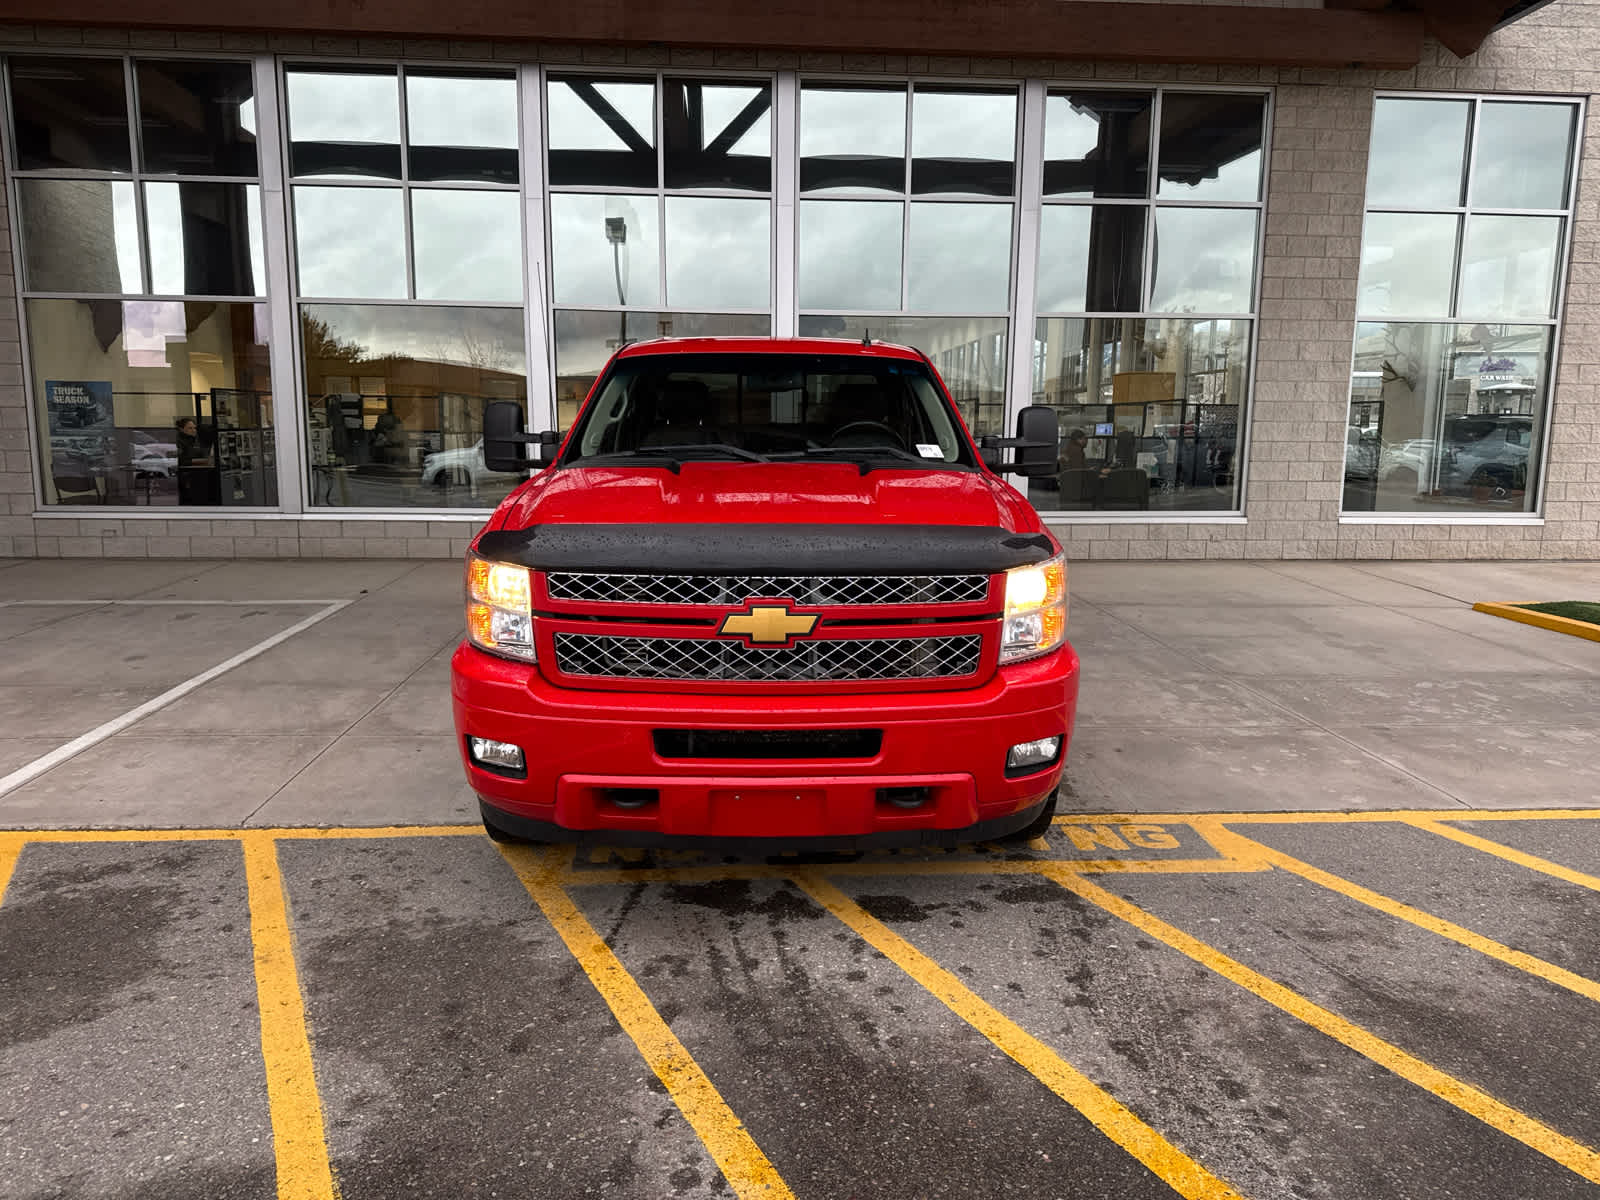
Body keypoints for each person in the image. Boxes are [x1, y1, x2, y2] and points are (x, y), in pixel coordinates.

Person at [175, 416, 217, 505]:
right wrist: (200, 461)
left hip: (198, 475)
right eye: (190, 428)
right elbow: (181, 460)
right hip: (187, 476)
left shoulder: (195, 440)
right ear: (181, 429)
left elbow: (201, 453)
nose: (193, 430)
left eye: (194, 428)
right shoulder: (180, 442)